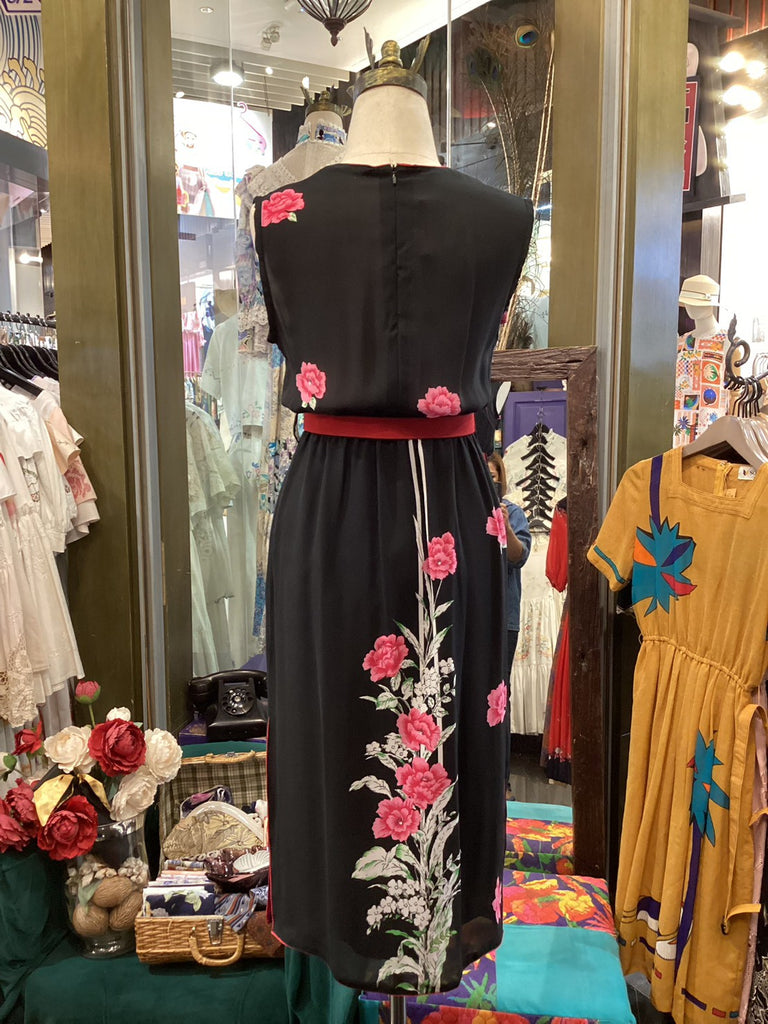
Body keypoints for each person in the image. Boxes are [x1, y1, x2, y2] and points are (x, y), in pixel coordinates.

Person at [487, 452, 531, 681]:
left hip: (503, 615)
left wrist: (505, 527)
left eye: (492, 476)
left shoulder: (513, 513)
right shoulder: (463, 513)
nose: (487, 480)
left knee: (500, 686)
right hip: (471, 613)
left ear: (501, 479)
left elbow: (518, 557)